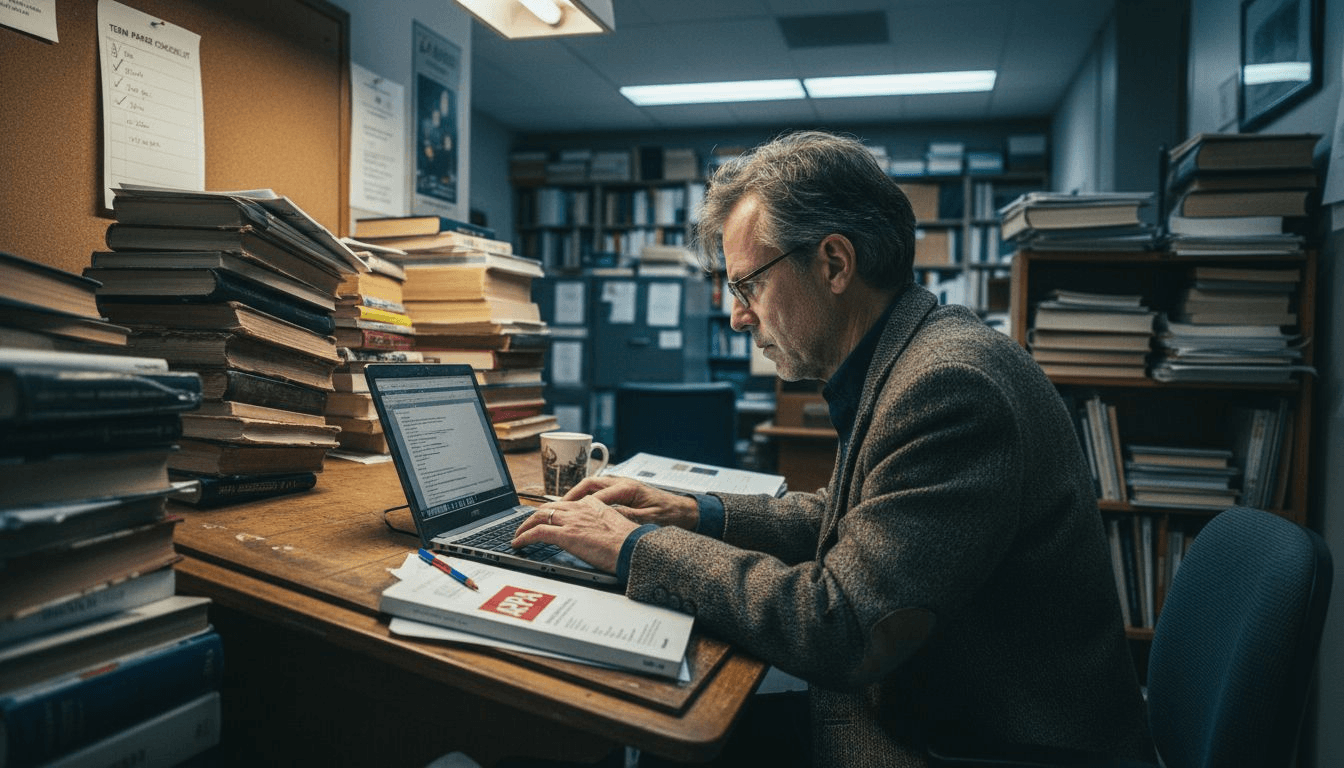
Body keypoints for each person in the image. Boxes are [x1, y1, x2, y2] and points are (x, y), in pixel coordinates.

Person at [513, 131, 1152, 766]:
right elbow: (848, 522)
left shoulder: (948, 386)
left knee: (668, 739)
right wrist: (690, 512)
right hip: (939, 709)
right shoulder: (908, 355)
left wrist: (633, 547)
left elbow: (843, 626)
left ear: (835, 264)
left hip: (976, 746)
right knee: (676, 738)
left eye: (748, 286)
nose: (738, 317)